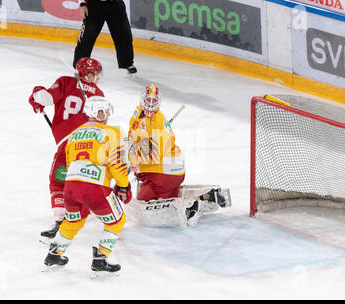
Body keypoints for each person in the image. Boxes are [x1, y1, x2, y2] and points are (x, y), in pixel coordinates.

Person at [43, 96, 131, 276]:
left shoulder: (74, 134)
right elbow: (117, 164)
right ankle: (100, 258)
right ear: (97, 112)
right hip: (94, 187)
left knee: (74, 220)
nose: (106, 114)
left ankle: (55, 253)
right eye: (104, 111)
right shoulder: (112, 131)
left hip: (71, 186)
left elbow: (69, 163)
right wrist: (124, 186)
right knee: (117, 220)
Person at [127, 85, 230, 227]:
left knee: (144, 205)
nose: (150, 104)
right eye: (148, 99)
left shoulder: (158, 123)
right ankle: (206, 197)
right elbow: (134, 133)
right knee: (169, 195)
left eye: (154, 101)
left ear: (159, 102)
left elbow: (152, 156)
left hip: (165, 173)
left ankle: (189, 209)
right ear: (141, 99)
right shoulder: (138, 112)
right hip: (171, 170)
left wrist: (132, 159)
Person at [29, 57, 105, 243]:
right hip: (92, 142)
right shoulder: (100, 93)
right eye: (93, 74)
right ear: (86, 73)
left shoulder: (66, 81)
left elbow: (45, 98)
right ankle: (94, 209)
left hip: (68, 142)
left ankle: (61, 222)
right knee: (83, 177)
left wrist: (37, 93)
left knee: (57, 181)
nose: (96, 77)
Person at [73, 0, 137, 74]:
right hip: (95, 5)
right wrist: (82, 4)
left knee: (124, 34)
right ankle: (80, 64)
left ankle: (127, 63)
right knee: (87, 36)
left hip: (115, 4)